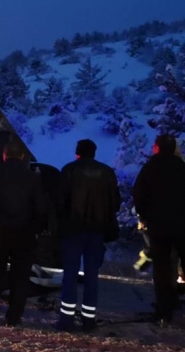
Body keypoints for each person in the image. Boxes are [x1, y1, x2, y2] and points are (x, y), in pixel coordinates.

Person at [0, 141, 47, 326]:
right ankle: (13, 317)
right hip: (23, 232)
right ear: (23, 156)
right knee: (20, 275)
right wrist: (36, 230)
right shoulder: (32, 178)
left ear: (4, 155)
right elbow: (41, 208)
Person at [133, 134, 185, 327]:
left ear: (157, 148)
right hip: (182, 224)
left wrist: (144, 215)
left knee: (162, 266)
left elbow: (138, 194)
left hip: (158, 225)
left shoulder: (150, 169)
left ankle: (164, 308)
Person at [55, 140, 120, 332]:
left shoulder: (68, 170)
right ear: (94, 153)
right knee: (92, 275)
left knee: (70, 274)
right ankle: (89, 320)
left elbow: (59, 202)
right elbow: (115, 203)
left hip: (73, 231)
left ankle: (66, 319)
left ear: (77, 153)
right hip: (97, 232)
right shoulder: (107, 172)